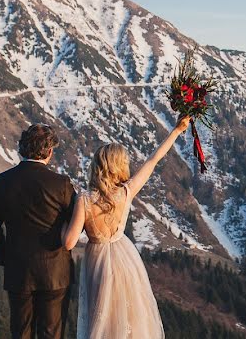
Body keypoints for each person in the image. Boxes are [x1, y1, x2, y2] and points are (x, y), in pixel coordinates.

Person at [63, 115, 192, 338]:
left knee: (101, 317)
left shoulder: (83, 199)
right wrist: (177, 130)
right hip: (125, 256)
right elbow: (153, 160)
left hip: (98, 259)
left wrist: (63, 222)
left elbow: (69, 242)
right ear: (118, 166)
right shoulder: (125, 192)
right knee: (129, 315)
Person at [0, 123, 76, 339]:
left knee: (20, 333)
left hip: (18, 270)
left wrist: (5, 257)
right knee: (52, 334)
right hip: (55, 272)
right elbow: (75, 223)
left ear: (21, 149)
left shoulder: (0, 183)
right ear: (50, 152)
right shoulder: (61, 184)